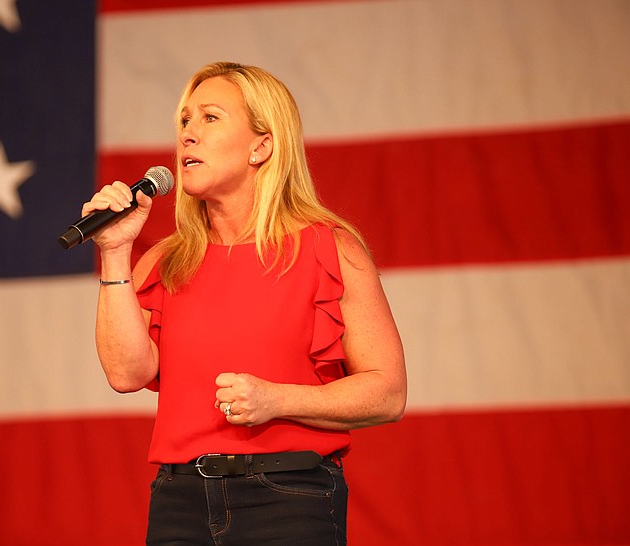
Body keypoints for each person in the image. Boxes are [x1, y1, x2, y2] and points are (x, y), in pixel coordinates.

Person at [82, 61, 406, 545]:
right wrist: (113, 252)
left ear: (262, 145)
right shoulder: (164, 260)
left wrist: (277, 400)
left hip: (288, 498)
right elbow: (126, 374)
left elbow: (388, 392)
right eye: (185, 121)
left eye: (210, 118)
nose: (188, 135)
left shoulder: (329, 249)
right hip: (180, 500)